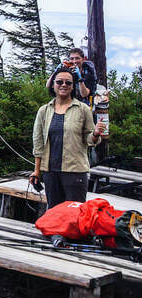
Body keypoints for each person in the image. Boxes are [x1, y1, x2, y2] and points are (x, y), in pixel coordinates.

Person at [30, 66, 107, 208]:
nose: (64, 85)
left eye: (68, 82)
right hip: (50, 171)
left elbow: (90, 140)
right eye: (59, 82)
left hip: (75, 170)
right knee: (54, 211)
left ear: (73, 87)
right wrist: (36, 170)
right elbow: (38, 142)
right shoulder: (44, 110)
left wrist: (96, 133)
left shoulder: (83, 109)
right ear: (53, 85)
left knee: (75, 212)